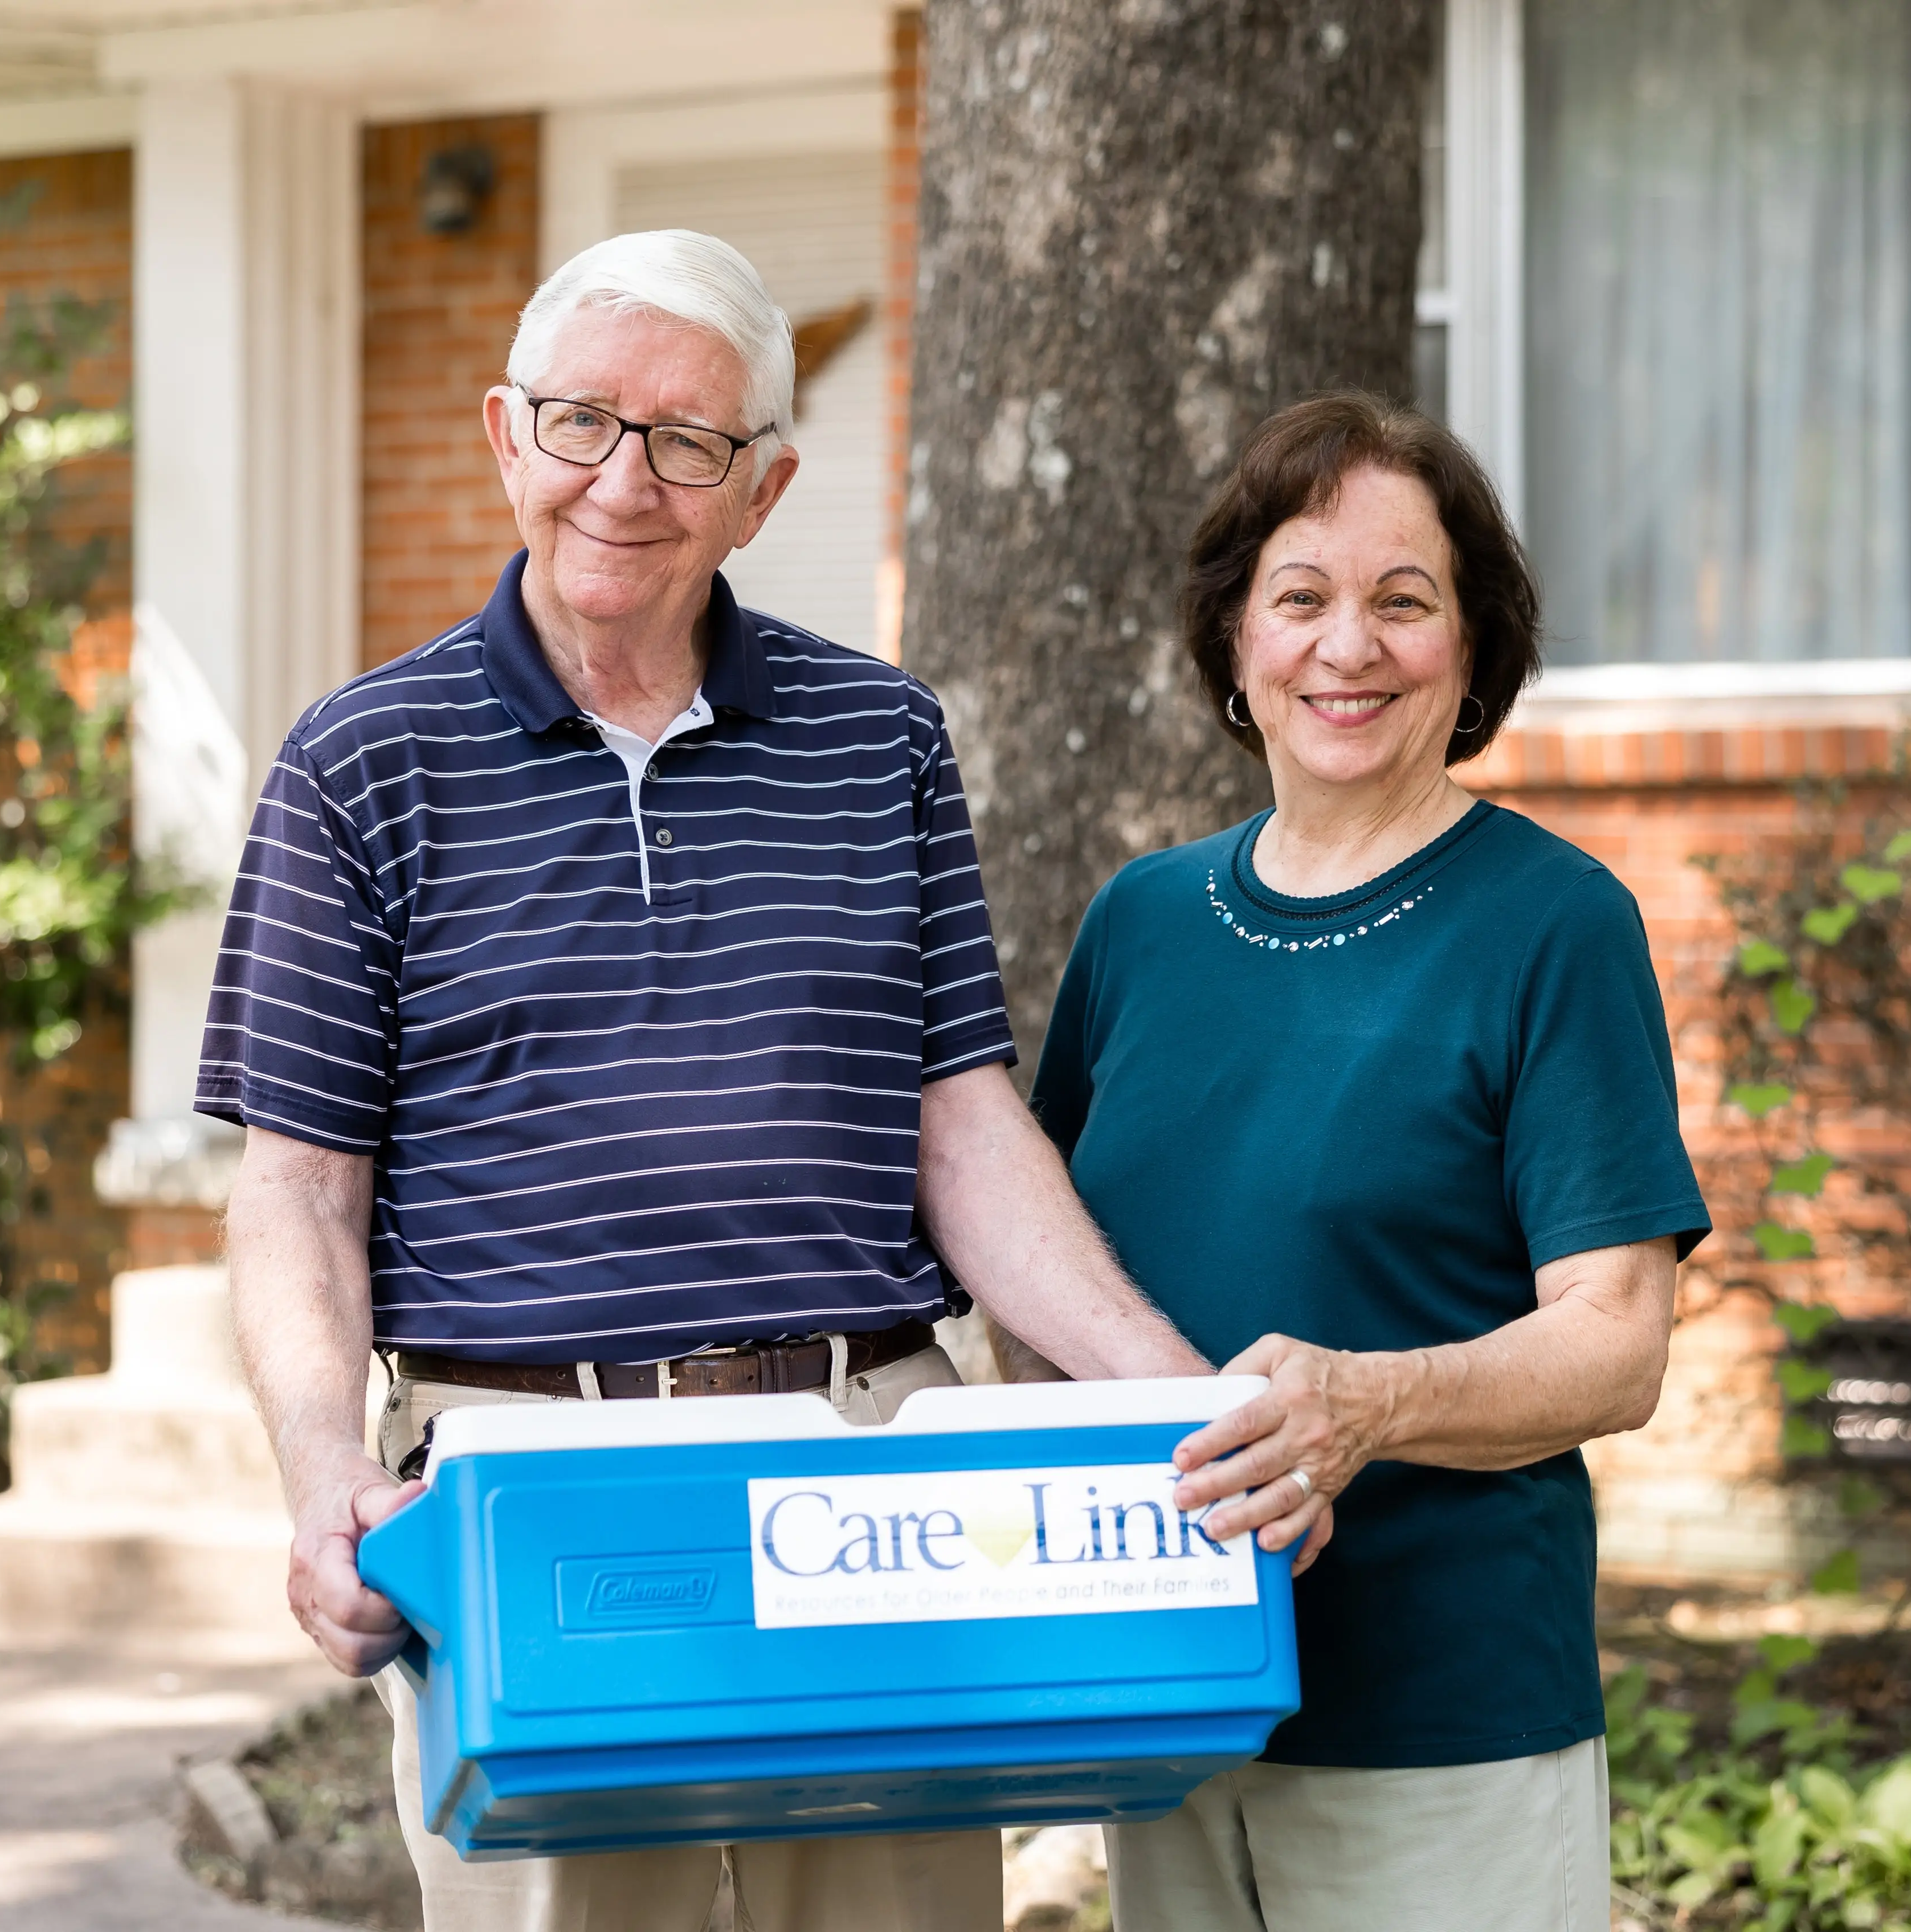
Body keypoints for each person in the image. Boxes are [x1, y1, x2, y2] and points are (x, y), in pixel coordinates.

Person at [198, 229, 1227, 1932]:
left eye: (687, 439)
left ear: (761, 489)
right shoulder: (359, 761)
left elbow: (959, 1122)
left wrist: (1179, 1397)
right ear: (504, 434)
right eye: (584, 420)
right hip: (534, 1487)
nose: (626, 477)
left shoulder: (878, 734)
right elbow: (299, 1187)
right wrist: (327, 1496)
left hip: (875, 1467)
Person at [1032, 392, 1712, 1931]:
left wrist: (1372, 1401)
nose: (1350, 646)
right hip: (1171, 1692)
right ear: (1234, 643)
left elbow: (1615, 1343)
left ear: (1469, 652)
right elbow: (1046, 1268)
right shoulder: (1140, 922)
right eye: (1302, 598)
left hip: (1440, 1713)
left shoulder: (1550, 923)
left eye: (1405, 603)